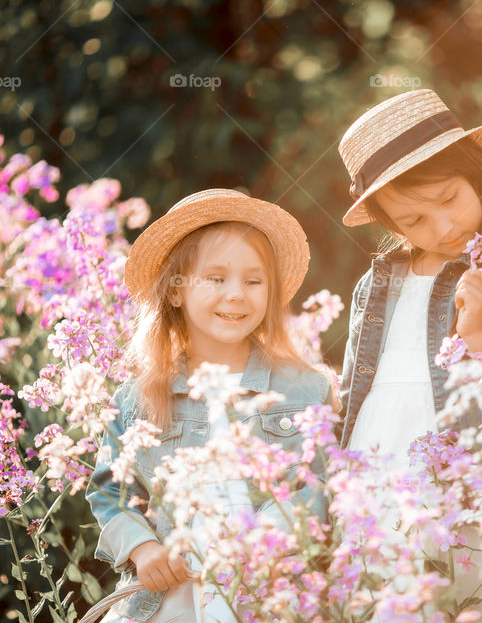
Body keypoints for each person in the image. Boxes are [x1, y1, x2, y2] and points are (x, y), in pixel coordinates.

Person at [85, 188, 332, 622]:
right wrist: (143, 549)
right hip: (168, 602)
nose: (236, 294)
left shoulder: (305, 389)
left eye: (253, 281)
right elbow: (111, 492)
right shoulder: (136, 399)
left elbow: (318, 484)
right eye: (216, 279)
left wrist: (264, 539)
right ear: (176, 293)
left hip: (267, 594)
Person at [337, 88, 482, 489]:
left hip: (476, 496)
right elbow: (349, 404)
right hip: (376, 487)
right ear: (391, 225)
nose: (444, 228)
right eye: (414, 221)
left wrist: (479, 336)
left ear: (476, 175)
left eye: (450, 198)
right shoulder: (374, 287)